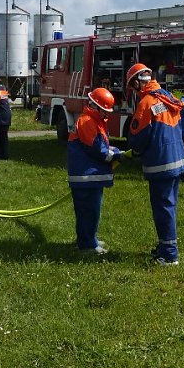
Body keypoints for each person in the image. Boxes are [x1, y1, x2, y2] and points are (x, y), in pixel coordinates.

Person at [126, 63, 184, 266]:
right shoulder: (168, 98)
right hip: (178, 159)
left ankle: (170, 255)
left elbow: (138, 137)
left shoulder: (146, 103)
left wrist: (134, 148)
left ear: (137, 82)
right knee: (169, 206)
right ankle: (164, 247)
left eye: (132, 86)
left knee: (163, 208)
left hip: (161, 163)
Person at [67, 88, 126, 254]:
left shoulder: (93, 121)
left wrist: (115, 151)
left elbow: (102, 145)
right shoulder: (87, 121)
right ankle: (86, 245)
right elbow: (98, 150)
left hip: (90, 176)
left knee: (92, 211)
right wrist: (116, 155)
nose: (106, 114)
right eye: (104, 110)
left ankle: (89, 238)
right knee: (88, 212)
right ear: (96, 107)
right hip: (86, 176)